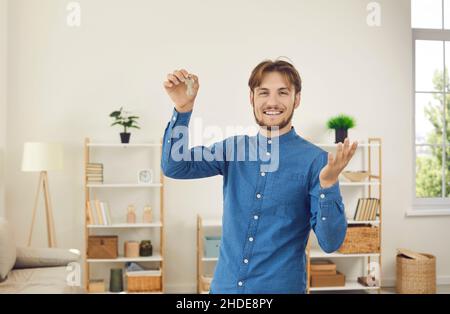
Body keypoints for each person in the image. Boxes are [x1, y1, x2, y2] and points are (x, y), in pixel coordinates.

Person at [161, 59, 358, 294]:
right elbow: (175, 166)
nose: (272, 102)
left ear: (297, 99)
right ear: (251, 98)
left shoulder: (317, 162)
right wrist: (183, 110)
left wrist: (328, 184)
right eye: (263, 92)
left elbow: (330, 242)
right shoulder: (233, 149)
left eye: (282, 93)